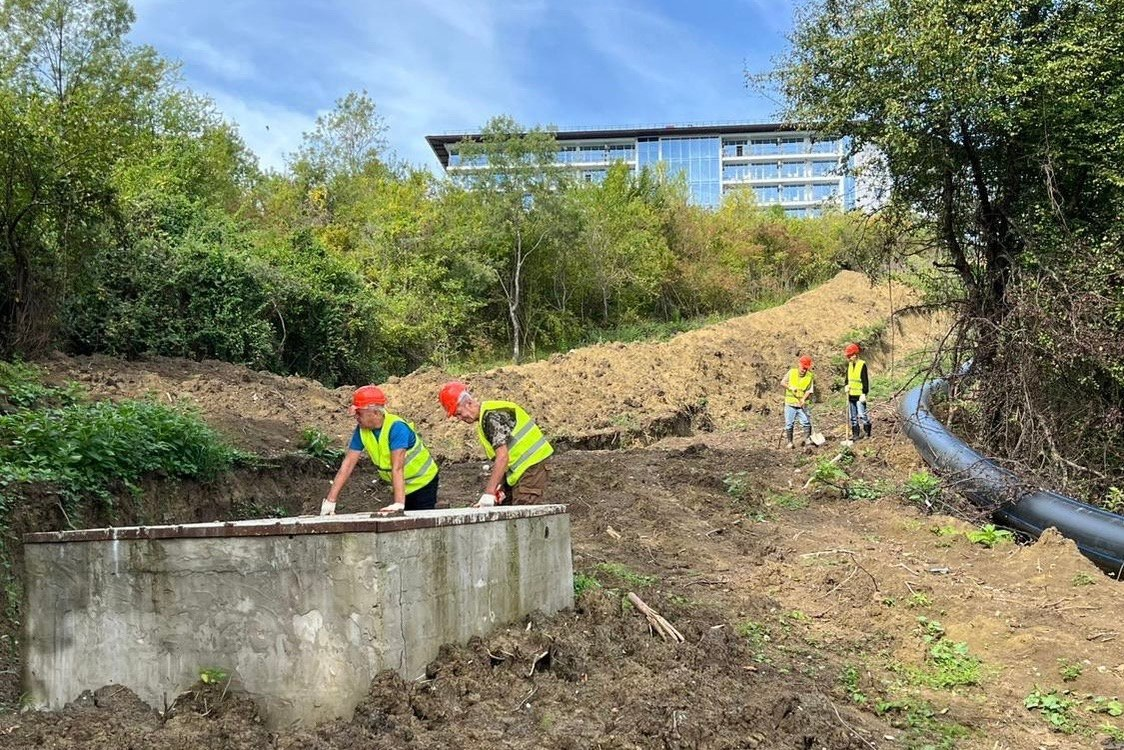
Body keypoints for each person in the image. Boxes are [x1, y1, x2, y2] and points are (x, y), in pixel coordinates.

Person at [320, 385, 439, 516]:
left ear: (376, 413)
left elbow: (397, 467)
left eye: (359, 413)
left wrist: (398, 504)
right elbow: (347, 465)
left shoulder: (397, 427)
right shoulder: (361, 431)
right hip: (402, 486)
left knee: (419, 523)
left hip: (423, 482)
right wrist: (330, 501)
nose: (356, 417)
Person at [438, 381, 553, 507]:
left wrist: (489, 492)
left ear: (469, 403)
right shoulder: (486, 416)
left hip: (531, 466)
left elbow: (502, 457)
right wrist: (500, 487)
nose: (460, 419)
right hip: (523, 469)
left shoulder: (491, 417)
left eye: (459, 413)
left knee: (523, 517)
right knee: (508, 510)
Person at [781, 355, 815, 449]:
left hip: (802, 404)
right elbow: (782, 382)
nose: (804, 370)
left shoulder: (809, 376)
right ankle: (790, 442)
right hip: (790, 403)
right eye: (803, 368)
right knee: (789, 423)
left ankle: (808, 439)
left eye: (806, 368)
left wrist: (804, 399)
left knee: (806, 421)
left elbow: (809, 390)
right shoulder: (791, 372)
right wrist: (790, 387)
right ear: (799, 365)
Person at [845, 342, 872, 441]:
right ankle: (855, 434)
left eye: (850, 356)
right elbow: (847, 378)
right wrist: (846, 385)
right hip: (851, 395)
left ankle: (867, 432)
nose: (849, 358)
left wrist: (864, 393)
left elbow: (865, 380)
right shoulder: (850, 365)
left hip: (859, 395)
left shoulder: (862, 365)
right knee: (853, 417)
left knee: (862, 414)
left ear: (855, 354)